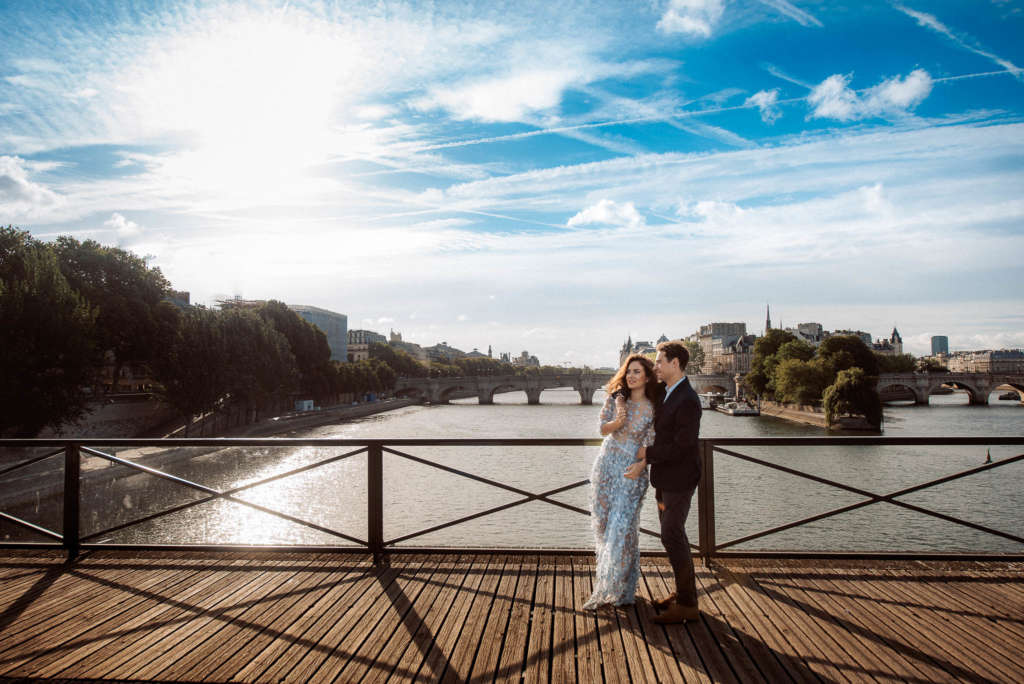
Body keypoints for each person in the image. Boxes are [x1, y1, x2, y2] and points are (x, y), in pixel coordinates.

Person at [583, 354, 661, 609]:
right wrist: (618, 419)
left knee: (623, 530)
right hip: (606, 465)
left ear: (647, 377)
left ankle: (615, 588)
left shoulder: (653, 407)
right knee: (605, 526)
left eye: (637, 372)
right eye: (629, 372)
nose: (631, 376)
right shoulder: (616, 399)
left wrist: (642, 465)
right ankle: (614, 584)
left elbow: (651, 442)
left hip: (631, 471)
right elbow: (602, 428)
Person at [645, 340, 703, 624]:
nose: (655, 366)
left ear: (675, 364)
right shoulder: (668, 393)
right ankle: (683, 594)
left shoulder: (688, 400)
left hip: (680, 479)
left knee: (672, 535)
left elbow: (682, 445)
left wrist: (647, 453)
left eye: (659, 361)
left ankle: (688, 604)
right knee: (673, 537)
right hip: (665, 478)